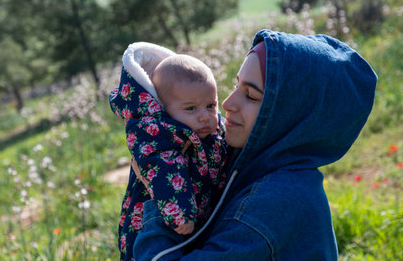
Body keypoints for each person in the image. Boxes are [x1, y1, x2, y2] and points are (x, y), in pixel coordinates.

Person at [133, 29, 378, 260]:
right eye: (235, 86)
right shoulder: (263, 167)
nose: (227, 103)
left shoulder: (274, 204)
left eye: (250, 95)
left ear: (289, 113)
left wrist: (162, 197)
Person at [109, 42, 228, 261]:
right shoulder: (156, 132)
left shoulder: (208, 129)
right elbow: (163, 165)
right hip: (160, 217)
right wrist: (179, 212)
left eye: (210, 105)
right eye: (191, 108)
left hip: (196, 219)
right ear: (162, 108)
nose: (204, 116)